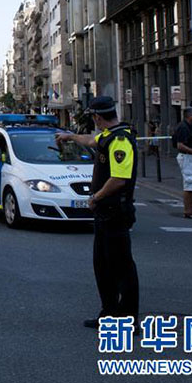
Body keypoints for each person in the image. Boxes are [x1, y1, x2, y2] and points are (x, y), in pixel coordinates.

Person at [56, 96, 139, 331]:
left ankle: (128, 319)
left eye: (93, 117)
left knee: (121, 267)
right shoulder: (109, 135)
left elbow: (119, 179)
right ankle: (109, 313)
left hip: (115, 210)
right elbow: (92, 140)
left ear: (97, 117)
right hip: (106, 213)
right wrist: (70, 136)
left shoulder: (121, 140)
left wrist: (96, 197)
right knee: (103, 265)